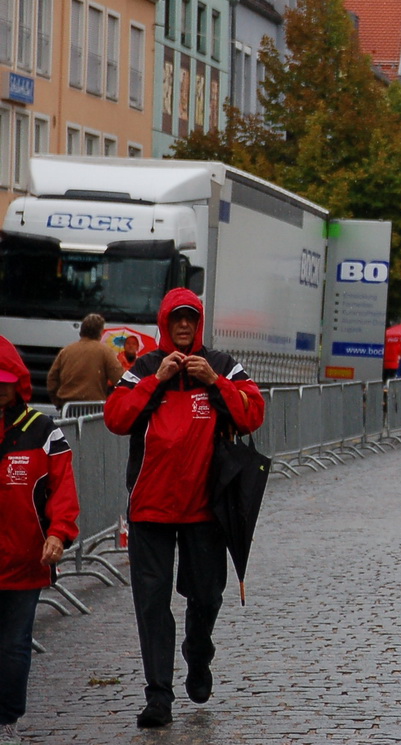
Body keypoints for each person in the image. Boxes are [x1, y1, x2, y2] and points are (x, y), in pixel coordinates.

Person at [104, 289, 264, 730]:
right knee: (152, 604)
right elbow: (115, 417)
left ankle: (198, 652)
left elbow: (254, 413)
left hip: (205, 509)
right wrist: (156, 382)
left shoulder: (221, 364)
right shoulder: (144, 367)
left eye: (191, 320)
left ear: (200, 323)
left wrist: (216, 382)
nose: (184, 327)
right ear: (164, 323)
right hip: (151, 508)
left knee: (207, 596)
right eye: (176, 320)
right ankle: (159, 696)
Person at [0, 336, 78, 741]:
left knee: (13, 644)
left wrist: (59, 534)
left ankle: (7, 720)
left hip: (26, 559)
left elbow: (64, 489)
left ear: (19, 383)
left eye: (4, 381)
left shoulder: (43, 430)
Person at [45, 313, 124, 408]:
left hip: (68, 406)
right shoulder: (106, 352)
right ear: (100, 332)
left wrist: (58, 402)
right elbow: (120, 380)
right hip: (94, 408)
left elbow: (52, 380)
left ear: (81, 331)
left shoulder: (66, 351)